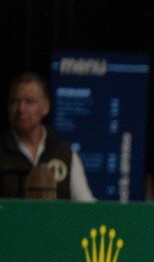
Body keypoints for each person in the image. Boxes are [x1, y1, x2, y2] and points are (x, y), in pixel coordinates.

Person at [2, 72, 96, 201]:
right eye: (14, 102)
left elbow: (87, 206)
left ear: (45, 107)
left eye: (29, 102)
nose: (21, 109)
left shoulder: (64, 154)